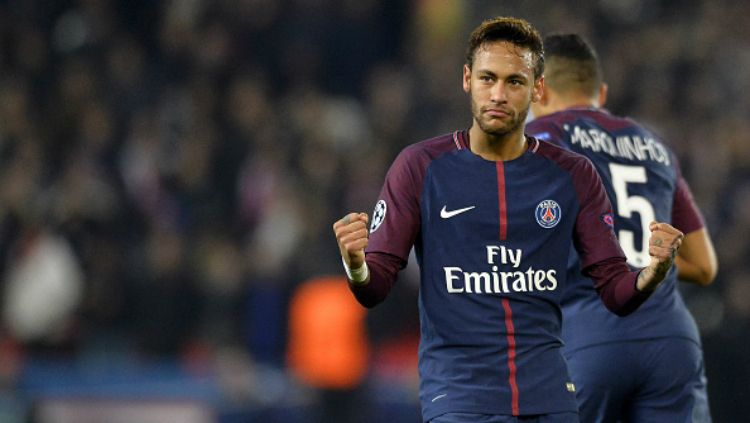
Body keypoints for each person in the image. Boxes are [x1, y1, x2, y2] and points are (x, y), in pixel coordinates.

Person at [333, 17, 684, 423]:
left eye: (514, 82)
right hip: (460, 396)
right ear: (467, 79)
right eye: (487, 78)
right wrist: (356, 263)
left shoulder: (573, 174)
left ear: (537, 88)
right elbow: (375, 287)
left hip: (550, 394)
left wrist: (652, 272)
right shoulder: (421, 167)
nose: (498, 94)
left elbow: (615, 291)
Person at [526, 33, 718, 423]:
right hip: (671, 338)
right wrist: (641, 267)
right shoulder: (654, 146)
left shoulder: (539, 141)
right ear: (601, 92)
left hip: (586, 334)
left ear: (538, 92)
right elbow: (704, 267)